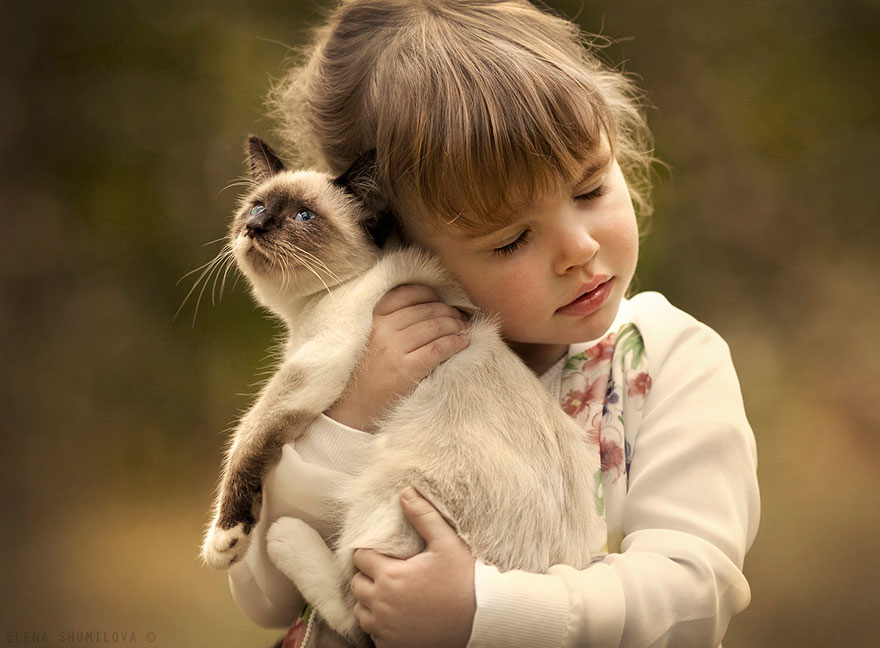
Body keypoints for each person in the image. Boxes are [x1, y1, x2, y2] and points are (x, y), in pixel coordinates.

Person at [228, 1, 760, 646]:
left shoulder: (665, 359)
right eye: (511, 240)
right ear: (391, 238)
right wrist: (349, 415)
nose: (579, 250)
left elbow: (692, 593)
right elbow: (263, 593)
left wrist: (486, 611)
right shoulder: (379, 356)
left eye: (590, 190)